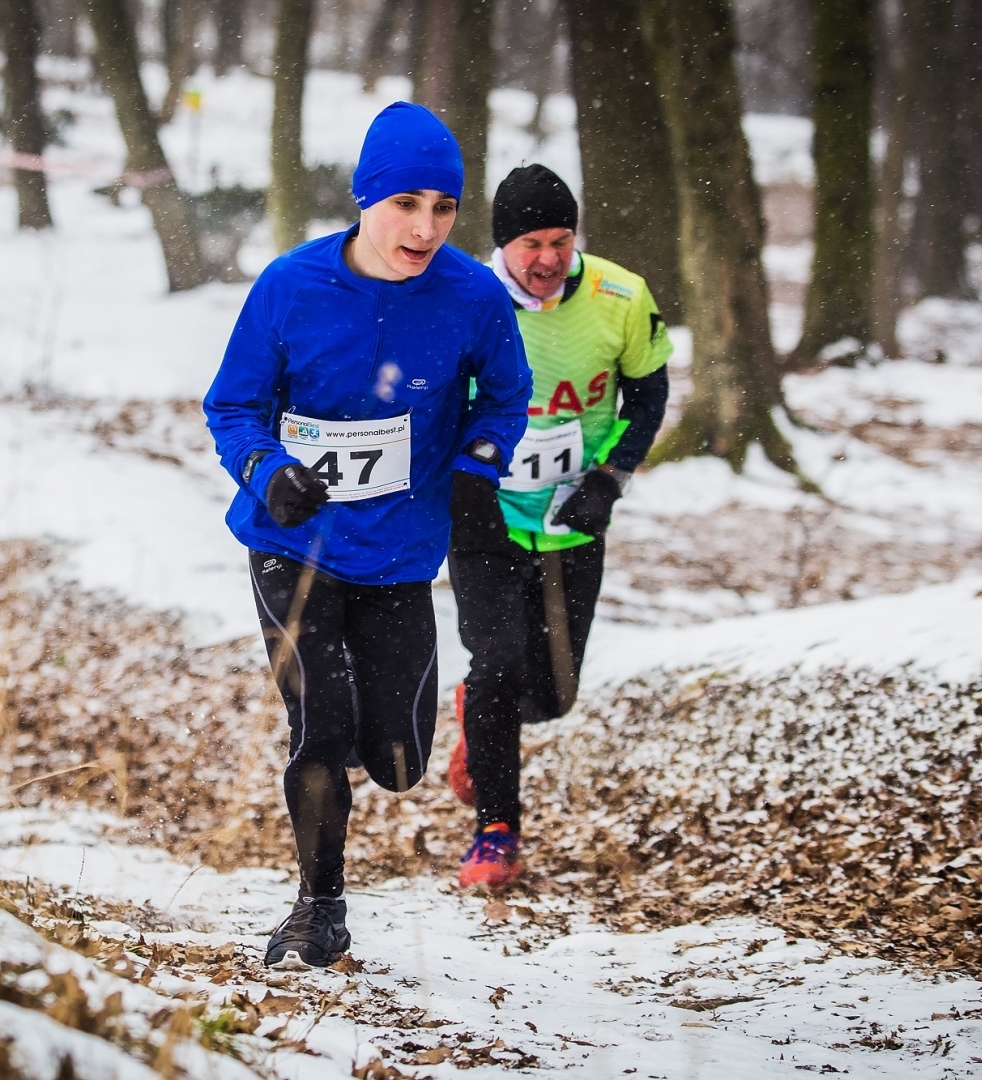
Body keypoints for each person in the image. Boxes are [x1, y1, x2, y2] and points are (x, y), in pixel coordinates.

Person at [203, 102, 531, 969]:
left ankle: (386, 744)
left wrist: (477, 468)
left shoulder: (471, 296)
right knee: (319, 723)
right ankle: (320, 907)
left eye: (444, 207)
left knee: (395, 758)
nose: (424, 227)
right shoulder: (290, 286)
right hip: (294, 547)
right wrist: (267, 470)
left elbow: (504, 397)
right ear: (363, 199)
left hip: (400, 551)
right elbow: (232, 405)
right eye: (405, 204)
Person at [446, 164, 672, 891]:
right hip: (488, 513)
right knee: (499, 664)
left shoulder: (620, 296)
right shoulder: (462, 299)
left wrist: (609, 480)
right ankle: (496, 831)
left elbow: (649, 390)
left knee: (553, 692)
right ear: (502, 246)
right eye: (531, 243)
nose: (547, 258)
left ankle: (477, 715)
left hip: (575, 514)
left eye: (561, 240)